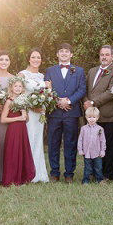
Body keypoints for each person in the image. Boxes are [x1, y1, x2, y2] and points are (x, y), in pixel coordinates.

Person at [44, 42, 86, 182]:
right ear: (57, 54)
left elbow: (81, 89)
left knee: (70, 143)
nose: (63, 53)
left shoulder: (78, 70)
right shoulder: (50, 70)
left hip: (71, 112)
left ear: (71, 54)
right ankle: (54, 172)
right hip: (54, 112)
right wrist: (56, 101)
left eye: (66, 51)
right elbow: (46, 88)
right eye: (61, 51)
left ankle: (69, 173)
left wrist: (68, 101)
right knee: (53, 143)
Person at [83, 45, 113, 183]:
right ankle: (94, 172)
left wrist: (93, 102)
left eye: (107, 54)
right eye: (102, 54)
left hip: (110, 116)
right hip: (93, 116)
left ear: (112, 56)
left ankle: (107, 174)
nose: (104, 57)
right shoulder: (92, 71)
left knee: (109, 147)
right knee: (94, 144)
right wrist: (87, 102)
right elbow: (86, 89)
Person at [18, 48, 49, 182]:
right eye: (33, 57)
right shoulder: (22, 75)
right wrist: (32, 108)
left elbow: (46, 94)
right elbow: (17, 94)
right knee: (29, 139)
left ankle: (38, 173)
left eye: (38, 57)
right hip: (28, 113)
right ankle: (27, 173)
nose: (36, 60)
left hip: (40, 114)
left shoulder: (42, 77)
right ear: (28, 59)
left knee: (38, 140)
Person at [0, 77, 35, 186]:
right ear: (11, 87)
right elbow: (3, 119)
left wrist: (24, 113)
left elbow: (26, 119)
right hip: (13, 129)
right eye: (15, 86)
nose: (18, 88)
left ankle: (21, 177)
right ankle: (11, 179)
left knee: (22, 152)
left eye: (20, 86)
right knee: (13, 152)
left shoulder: (24, 100)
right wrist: (18, 118)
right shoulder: (9, 101)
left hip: (22, 130)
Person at [0, 50, 14, 182]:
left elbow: (16, 96)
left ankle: (5, 173)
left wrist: (7, 107)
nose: (4, 62)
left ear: (10, 62)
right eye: (1, 59)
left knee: (5, 142)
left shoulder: (13, 78)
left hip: (7, 116)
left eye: (6, 60)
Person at [77, 106, 106, 184]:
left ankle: (99, 180)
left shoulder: (100, 129)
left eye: (94, 117)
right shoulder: (83, 129)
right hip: (87, 152)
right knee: (88, 168)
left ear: (97, 117)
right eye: (89, 117)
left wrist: (103, 150)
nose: (92, 119)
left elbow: (102, 140)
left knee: (98, 167)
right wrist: (80, 149)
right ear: (86, 117)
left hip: (97, 152)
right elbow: (80, 139)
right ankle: (86, 181)